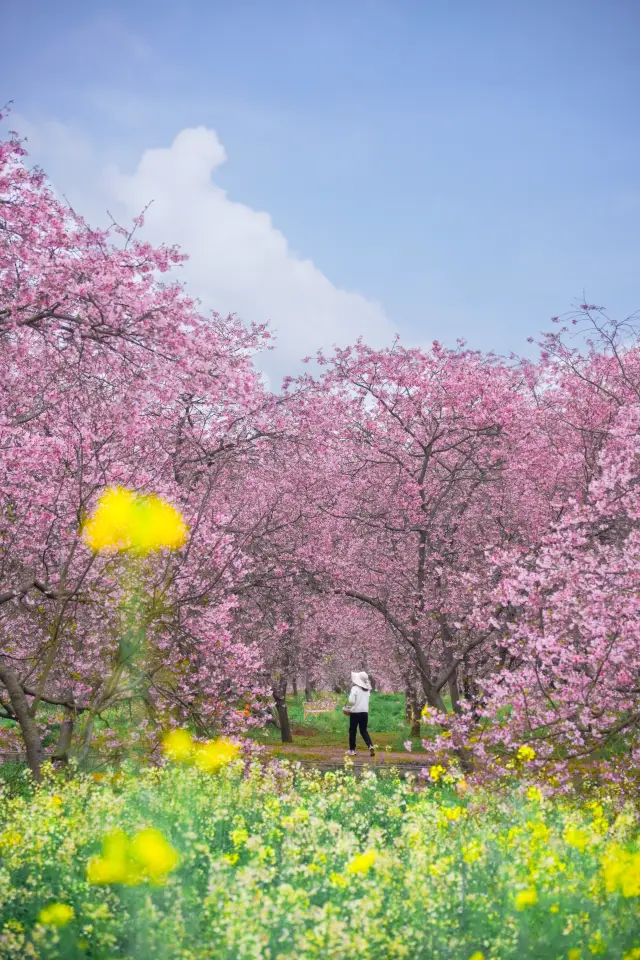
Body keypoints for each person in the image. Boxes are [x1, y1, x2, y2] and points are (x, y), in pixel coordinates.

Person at [345, 671, 375, 757]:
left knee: (352, 731)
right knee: (363, 730)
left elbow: (351, 701)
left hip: (355, 713)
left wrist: (349, 705)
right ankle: (370, 746)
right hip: (365, 713)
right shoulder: (367, 691)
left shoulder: (354, 689)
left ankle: (352, 750)